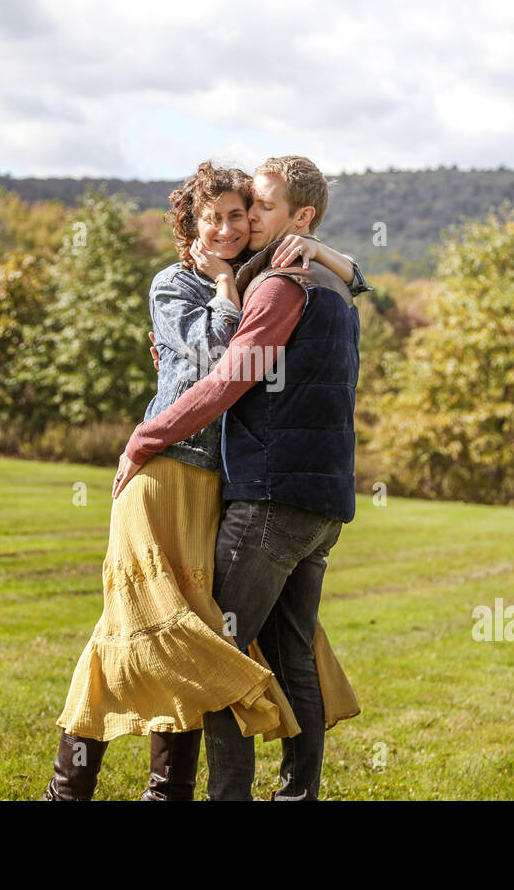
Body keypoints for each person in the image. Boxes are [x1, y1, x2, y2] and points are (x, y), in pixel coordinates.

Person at [41, 161, 364, 801]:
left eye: (242, 214)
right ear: (189, 225)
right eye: (211, 218)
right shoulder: (178, 284)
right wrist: (222, 287)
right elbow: (215, 357)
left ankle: (172, 790)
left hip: (220, 483)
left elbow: (349, 284)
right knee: (134, 629)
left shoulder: (272, 279)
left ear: (275, 220)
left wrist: (312, 258)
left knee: (202, 637)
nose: (229, 227)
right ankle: (69, 787)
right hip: (165, 470)